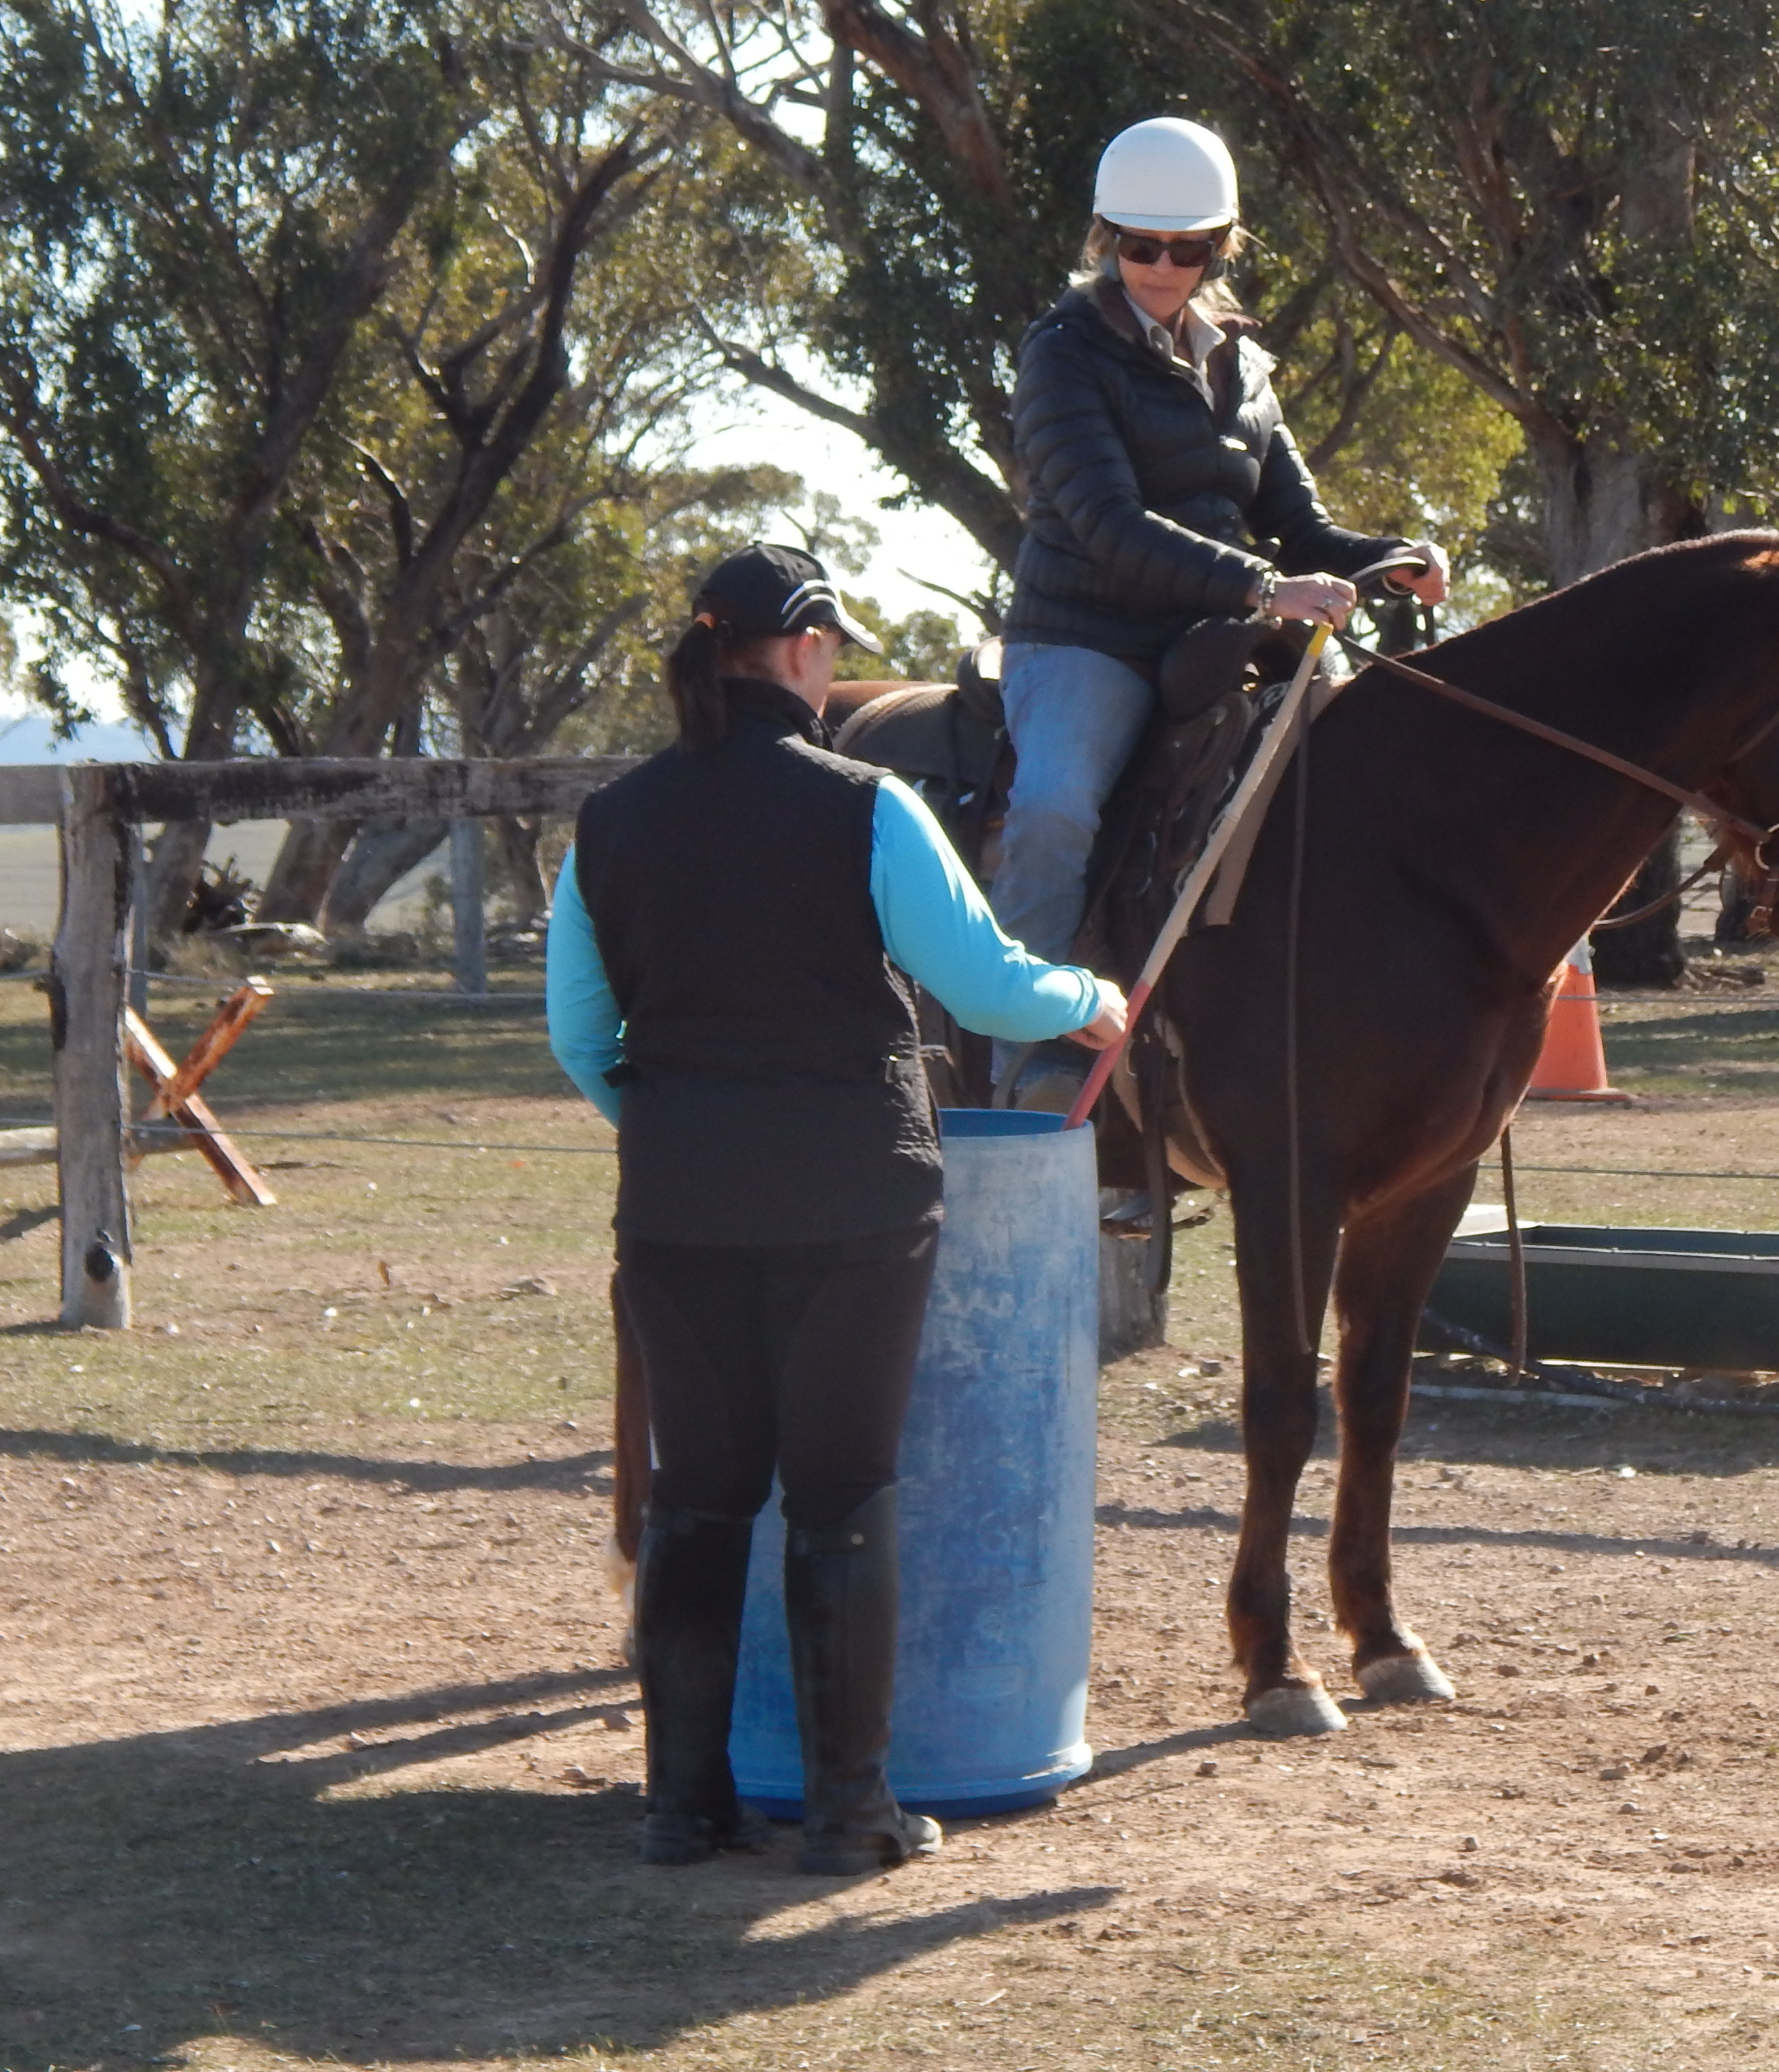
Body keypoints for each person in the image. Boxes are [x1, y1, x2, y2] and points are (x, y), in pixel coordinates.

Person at [547, 543, 1127, 1876]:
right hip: (853, 1203)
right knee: (841, 1493)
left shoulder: (610, 819)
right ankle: (850, 1812)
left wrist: (685, 1132)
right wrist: (1086, 999)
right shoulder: (869, 806)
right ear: (806, 649)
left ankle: (681, 1808)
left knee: (697, 1496)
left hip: (678, 1204)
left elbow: (581, 1037)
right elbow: (982, 983)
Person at [994, 115, 1450, 1107]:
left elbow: (1299, 525)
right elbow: (1107, 523)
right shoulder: (1062, 352)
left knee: (1366, 780)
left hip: (1221, 632)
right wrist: (1266, 589)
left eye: (1187, 248)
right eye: (1140, 245)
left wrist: (1394, 559)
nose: (1162, 266)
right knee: (1055, 810)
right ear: (1107, 240)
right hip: (1090, 637)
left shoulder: (1243, 365)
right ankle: (1026, 1060)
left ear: (1220, 247)